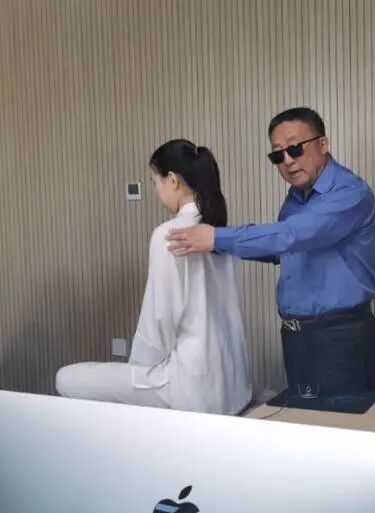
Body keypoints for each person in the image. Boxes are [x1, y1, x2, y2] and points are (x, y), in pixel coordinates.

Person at [166, 107, 375, 397]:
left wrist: (217, 238)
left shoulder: (348, 192)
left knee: (340, 421)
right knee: (304, 419)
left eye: (295, 149)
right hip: (298, 335)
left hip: (339, 335)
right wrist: (217, 246)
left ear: (323, 144)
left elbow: (292, 236)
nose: (288, 161)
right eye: (278, 155)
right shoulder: (297, 197)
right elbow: (284, 251)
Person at [56, 139, 252, 415]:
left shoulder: (169, 234)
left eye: (154, 182)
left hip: (189, 385)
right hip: (233, 386)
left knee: (66, 378)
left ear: (172, 180)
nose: (156, 191)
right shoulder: (218, 232)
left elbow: (160, 319)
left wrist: (139, 368)